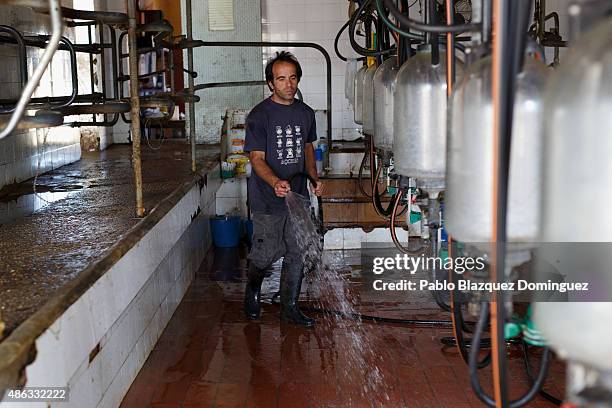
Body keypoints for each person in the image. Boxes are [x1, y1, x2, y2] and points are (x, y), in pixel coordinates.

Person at [243, 51, 323, 327]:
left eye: (293, 78)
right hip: (268, 199)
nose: (288, 84)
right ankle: (252, 291)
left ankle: (290, 307)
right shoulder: (259, 116)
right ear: (270, 83)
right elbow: (257, 158)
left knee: (297, 251)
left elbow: (308, 148)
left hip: (298, 195)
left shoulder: (306, 113)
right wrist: (275, 182)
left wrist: (314, 177)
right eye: (281, 79)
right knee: (265, 253)